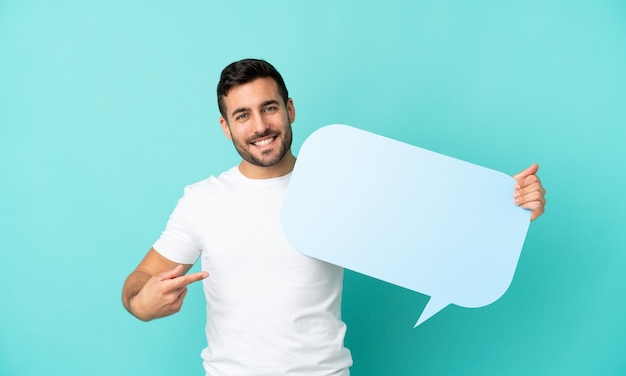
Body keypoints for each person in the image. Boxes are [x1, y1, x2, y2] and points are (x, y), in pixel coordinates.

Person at [122, 58, 547, 376]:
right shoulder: (202, 201)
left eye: (269, 108)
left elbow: (431, 234)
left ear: (290, 108)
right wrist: (145, 302)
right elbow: (136, 288)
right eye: (242, 115)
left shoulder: (342, 185)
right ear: (225, 127)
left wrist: (507, 211)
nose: (259, 126)